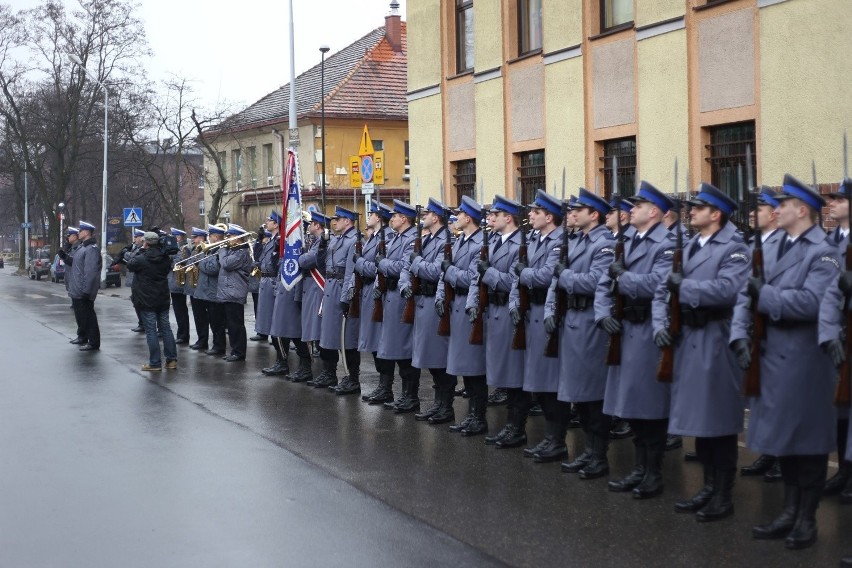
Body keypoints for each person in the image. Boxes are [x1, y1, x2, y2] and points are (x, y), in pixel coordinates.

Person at [731, 174, 839, 549]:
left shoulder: (823, 251)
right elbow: (747, 294)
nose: (775, 210)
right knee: (784, 442)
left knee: (806, 443)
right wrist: (740, 334)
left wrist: (768, 296)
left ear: (802, 209)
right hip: (771, 355)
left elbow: (814, 302)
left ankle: (806, 519)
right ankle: (788, 511)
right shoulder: (772, 245)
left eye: (783, 204)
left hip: (803, 357)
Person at [652, 183, 749, 521]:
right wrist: (662, 321)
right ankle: (707, 487)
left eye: (698, 207)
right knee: (700, 421)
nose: (690, 212)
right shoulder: (691, 245)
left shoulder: (734, 248)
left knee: (719, 422)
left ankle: (723, 495)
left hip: (715, 338)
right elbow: (665, 289)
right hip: (689, 339)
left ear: (716, 214)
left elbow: (727, 291)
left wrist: (685, 287)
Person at [596, 181, 675, 499]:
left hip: (646, 330)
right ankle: (639, 469)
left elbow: (659, 283)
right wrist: (602, 314)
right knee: (630, 407)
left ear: (654, 211)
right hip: (623, 329)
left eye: (639, 206)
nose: (632, 210)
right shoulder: (626, 239)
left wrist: (622, 278)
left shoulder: (667, 243)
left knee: (650, 407)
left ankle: (653, 473)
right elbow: (604, 282)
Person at [547, 189, 615, 478]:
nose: (573, 214)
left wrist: (565, 277)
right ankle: (588, 450)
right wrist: (552, 308)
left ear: (594, 215)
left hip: (590, 322)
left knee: (593, 394)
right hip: (572, 321)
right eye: (572, 209)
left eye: (579, 210)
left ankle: (599, 455)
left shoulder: (605, 244)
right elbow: (556, 282)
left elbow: (596, 281)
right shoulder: (577, 241)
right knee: (580, 394)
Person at [509, 189, 567, 462]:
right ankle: (549, 438)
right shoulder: (533, 239)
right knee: (538, 383)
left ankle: (556, 440)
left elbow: (546, 276)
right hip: (531, 312)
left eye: (535, 211)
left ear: (549, 216)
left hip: (547, 312)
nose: (530, 214)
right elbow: (515, 272)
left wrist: (524, 274)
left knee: (550, 382)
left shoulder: (558, 242)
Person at [470, 196, 526, 445]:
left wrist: (488, 272)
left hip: (507, 309)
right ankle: (506, 424)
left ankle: (516, 427)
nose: (491, 218)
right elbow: (475, 277)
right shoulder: (492, 242)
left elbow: (513, 282)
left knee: (513, 372)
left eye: (496, 214)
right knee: (499, 370)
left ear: (508, 217)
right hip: (491, 310)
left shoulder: (519, 245)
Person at [738, 189, 783, 481]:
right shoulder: (751, 241)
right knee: (762, 395)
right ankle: (769, 451)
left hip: (776, 324)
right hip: (755, 324)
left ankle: (783, 454)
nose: (753, 213)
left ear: (776, 213)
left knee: (779, 395)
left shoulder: (783, 244)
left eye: (760, 208)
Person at [436, 195, 486, 433]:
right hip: (456, 306)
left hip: (469, 305)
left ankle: (479, 417)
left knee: (474, 365)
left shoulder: (479, 245)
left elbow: (470, 278)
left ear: (469, 218)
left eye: (459, 214)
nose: (455, 218)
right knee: (465, 364)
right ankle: (472, 415)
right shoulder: (460, 242)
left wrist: (449, 271)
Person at [405, 198, 453, 423]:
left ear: (436, 217)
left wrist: (416, 264)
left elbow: (436, 272)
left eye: (426, 214)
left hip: (436, 301)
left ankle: (446, 406)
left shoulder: (447, 241)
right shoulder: (428, 239)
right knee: (431, 360)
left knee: (439, 358)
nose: (423, 217)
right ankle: (438, 403)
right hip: (424, 300)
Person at [821, 178, 852, 500]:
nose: (833, 203)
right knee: (841, 406)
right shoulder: (829, 240)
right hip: (836, 331)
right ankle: (844, 469)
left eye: (840, 199)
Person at [375, 200, 421, 412]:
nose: (390, 219)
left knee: (404, 349)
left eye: (394, 216)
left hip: (404, 297)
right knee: (393, 347)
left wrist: (382, 263)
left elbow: (404, 266)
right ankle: (397, 392)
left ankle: (410, 396)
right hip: (391, 297)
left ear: (404, 218)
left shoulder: (412, 239)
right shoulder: (396, 238)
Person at [358, 202, 396, 403]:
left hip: (378, 293)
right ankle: (383, 385)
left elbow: (377, 268)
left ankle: (386, 386)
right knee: (374, 342)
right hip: (368, 293)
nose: (368, 215)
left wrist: (359, 263)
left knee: (381, 341)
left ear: (379, 217)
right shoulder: (373, 238)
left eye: (371, 213)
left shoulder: (387, 238)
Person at [321, 206, 361, 394]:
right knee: (331, 335)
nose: (334, 222)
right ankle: (333, 373)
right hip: (331, 288)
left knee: (347, 337)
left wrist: (346, 298)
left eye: (338, 219)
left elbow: (350, 272)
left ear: (348, 221)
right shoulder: (336, 240)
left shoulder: (354, 241)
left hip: (341, 289)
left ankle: (352, 377)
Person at [127, 231, 177, 371]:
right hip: (162, 297)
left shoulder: (142, 258)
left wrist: (141, 250)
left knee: (151, 331)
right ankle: (171, 360)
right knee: (166, 329)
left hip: (146, 299)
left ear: (146, 243)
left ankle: (155, 363)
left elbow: (130, 265)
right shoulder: (165, 258)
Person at [301, 212, 330, 386]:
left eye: (311, 222)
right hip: (311, 288)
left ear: (318, 225)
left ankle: (326, 371)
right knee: (314, 328)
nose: (309, 225)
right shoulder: (314, 241)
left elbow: (306, 260)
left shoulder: (322, 241)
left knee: (319, 329)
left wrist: (301, 257)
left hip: (319, 288)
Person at [217, 224, 253, 362]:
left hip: (235, 293)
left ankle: (239, 352)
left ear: (238, 238)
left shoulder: (241, 253)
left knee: (236, 324)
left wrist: (222, 250)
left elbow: (226, 264)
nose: (227, 239)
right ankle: (234, 350)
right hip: (228, 292)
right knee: (231, 324)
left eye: (230, 236)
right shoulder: (233, 251)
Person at [67, 220, 102, 351]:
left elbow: (91, 272)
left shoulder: (91, 249)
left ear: (86, 233)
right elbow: (77, 266)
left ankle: (94, 342)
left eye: (80, 231)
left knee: (89, 317)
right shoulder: (83, 248)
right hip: (77, 289)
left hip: (83, 290)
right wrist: (65, 257)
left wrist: (87, 290)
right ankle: (83, 337)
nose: (79, 233)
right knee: (80, 316)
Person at [197, 224, 228, 356]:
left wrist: (200, 262)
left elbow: (212, 269)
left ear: (216, 237)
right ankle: (216, 344)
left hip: (214, 291)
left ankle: (219, 346)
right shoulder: (211, 250)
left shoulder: (220, 250)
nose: (208, 238)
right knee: (213, 321)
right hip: (208, 291)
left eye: (210, 236)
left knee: (217, 322)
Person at [58, 227, 84, 344]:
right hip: (72, 281)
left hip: (77, 283)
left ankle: (83, 336)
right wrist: (66, 246)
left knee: (81, 313)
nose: (68, 237)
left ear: (76, 236)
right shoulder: (72, 247)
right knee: (78, 313)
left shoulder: (79, 248)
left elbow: (74, 262)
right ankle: (82, 335)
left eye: (70, 235)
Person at [186, 227, 210, 351]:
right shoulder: (195, 249)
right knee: (198, 316)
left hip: (204, 287)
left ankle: (203, 341)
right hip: (195, 287)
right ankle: (201, 340)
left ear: (202, 238)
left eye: (195, 237)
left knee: (203, 316)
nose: (193, 239)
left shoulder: (206, 249)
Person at [167, 228, 191, 344]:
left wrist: (168, 258)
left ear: (179, 237)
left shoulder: (184, 249)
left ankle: (183, 335)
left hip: (179, 284)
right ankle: (181, 334)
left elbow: (179, 263)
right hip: (174, 283)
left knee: (181, 312)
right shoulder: (175, 248)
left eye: (174, 236)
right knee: (178, 311)